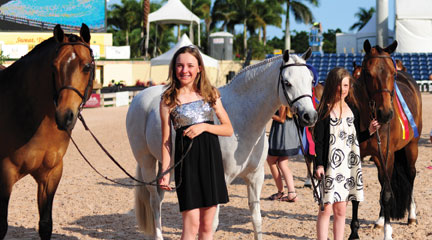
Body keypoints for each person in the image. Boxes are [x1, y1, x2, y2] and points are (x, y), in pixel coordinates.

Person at [159, 45, 233, 240]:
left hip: (210, 164)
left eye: (190, 65)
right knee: (190, 227)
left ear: (199, 67)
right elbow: (166, 141)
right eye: (180, 66)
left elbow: (228, 129)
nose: (185, 70)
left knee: (208, 227)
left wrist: (205, 127)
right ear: (174, 68)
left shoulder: (210, 94)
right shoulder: (168, 99)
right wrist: (165, 173)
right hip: (187, 165)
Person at [313, 67, 380, 240]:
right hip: (330, 167)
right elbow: (318, 142)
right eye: (338, 85)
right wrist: (319, 165)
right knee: (326, 208)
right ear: (331, 86)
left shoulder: (353, 109)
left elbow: (355, 137)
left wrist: (370, 132)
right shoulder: (324, 111)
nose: (342, 89)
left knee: (341, 209)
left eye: (345, 85)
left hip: (348, 167)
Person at [266, 106, 300, 202]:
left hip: (281, 134)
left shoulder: (282, 102)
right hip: (288, 133)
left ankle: (281, 191)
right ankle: (291, 193)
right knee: (282, 164)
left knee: (271, 160)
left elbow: (281, 119)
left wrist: (269, 114)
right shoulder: (292, 101)